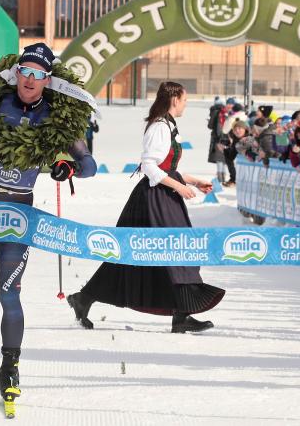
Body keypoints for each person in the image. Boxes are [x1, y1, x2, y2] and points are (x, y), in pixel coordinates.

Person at [0, 43, 96, 404]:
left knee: (9, 293)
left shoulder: (58, 116)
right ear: (16, 73)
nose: (31, 79)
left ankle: (9, 367)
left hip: (17, 215)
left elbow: (89, 165)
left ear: (48, 80)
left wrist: (68, 166)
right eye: (26, 70)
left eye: (39, 74)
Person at [68, 82, 223, 334]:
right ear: (174, 100)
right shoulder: (160, 127)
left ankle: (179, 314)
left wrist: (193, 181)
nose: (185, 104)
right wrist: (181, 188)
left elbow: (166, 167)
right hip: (154, 200)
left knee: (161, 255)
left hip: (163, 195)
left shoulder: (168, 126)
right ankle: (85, 298)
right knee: (151, 254)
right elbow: (150, 167)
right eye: (184, 100)